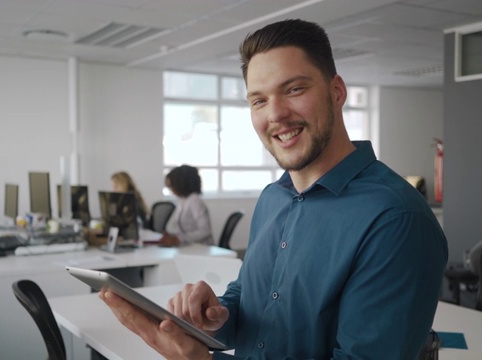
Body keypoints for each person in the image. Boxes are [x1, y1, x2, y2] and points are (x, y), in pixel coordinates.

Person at [100, 19, 448, 359]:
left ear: (337, 92)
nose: (276, 114)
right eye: (259, 101)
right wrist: (216, 313)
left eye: (294, 89)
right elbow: (256, 301)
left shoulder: (395, 217)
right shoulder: (273, 198)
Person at [157, 165, 213, 247]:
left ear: (181, 184)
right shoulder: (183, 201)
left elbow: (205, 231)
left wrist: (178, 239)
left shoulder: (195, 201)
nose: (171, 191)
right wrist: (172, 236)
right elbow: (186, 231)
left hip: (202, 248)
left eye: (172, 187)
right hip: (189, 246)